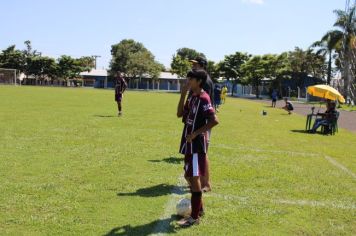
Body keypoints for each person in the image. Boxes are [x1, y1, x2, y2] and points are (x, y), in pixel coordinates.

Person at [176, 69, 219, 227]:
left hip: (196, 145)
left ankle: (194, 217)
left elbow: (214, 120)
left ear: (199, 81)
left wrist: (196, 133)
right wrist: (182, 95)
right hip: (188, 144)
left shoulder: (203, 98)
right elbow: (179, 114)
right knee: (189, 177)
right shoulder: (193, 97)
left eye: (190, 79)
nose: (188, 81)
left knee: (194, 180)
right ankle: (199, 209)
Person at [189, 56, 214, 192]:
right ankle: (198, 181)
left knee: (203, 154)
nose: (193, 66)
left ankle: (206, 184)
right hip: (195, 121)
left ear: (202, 65)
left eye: (195, 64)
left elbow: (206, 104)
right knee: (198, 154)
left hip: (202, 123)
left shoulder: (205, 81)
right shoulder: (197, 78)